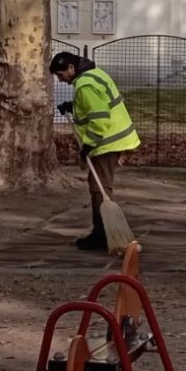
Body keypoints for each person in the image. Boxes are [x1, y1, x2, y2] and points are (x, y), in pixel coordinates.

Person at [50, 52, 141, 250]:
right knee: (98, 184)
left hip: (107, 142)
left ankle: (102, 234)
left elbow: (100, 119)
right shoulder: (95, 74)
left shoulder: (85, 85)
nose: (60, 79)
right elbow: (94, 106)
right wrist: (73, 107)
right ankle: (103, 232)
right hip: (113, 139)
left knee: (100, 187)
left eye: (60, 74)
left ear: (71, 69)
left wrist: (89, 145)